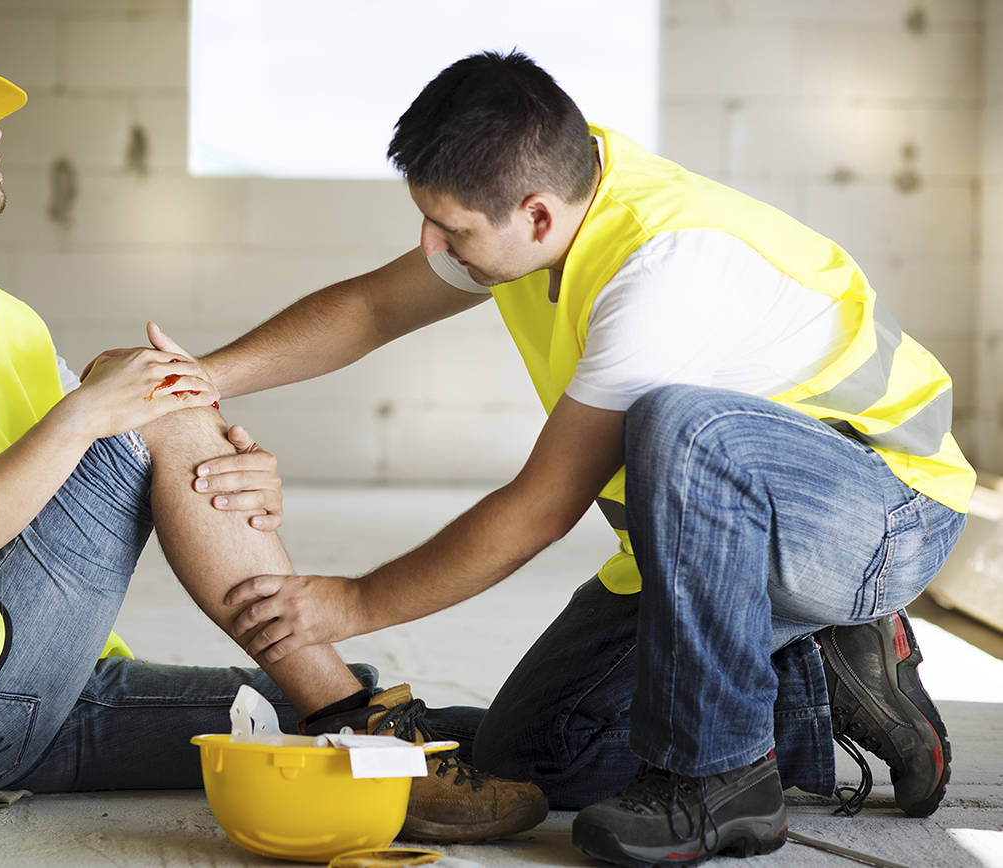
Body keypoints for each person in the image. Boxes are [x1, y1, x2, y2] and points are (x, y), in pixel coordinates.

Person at [182, 51, 974, 866]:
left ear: (533, 214)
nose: (431, 244)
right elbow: (371, 307)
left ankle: (721, 776)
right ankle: (819, 663)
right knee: (528, 757)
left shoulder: (660, 272)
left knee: (687, 425)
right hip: (733, 546)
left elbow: (539, 509)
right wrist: (202, 377)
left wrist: (352, 602)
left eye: (449, 228)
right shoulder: (557, 195)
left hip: (883, 514)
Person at [0, 20, 548, 842]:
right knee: (154, 389)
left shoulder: (4, 322)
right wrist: (108, 415)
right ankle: (357, 717)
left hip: (37, 691)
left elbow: (123, 457)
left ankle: (413, 729)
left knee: (424, 724)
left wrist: (232, 472)